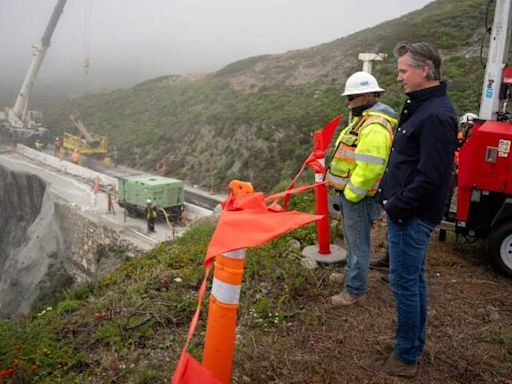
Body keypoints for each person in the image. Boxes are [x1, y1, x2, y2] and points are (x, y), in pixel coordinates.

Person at [361, 42, 457, 377]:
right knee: (411, 280)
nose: (399, 77)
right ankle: (410, 345)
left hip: (412, 214)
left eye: (403, 71)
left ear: (425, 69)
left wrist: (395, 204)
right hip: (408, 210)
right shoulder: (424, 107)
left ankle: (405, 357)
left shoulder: (437, 115)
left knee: (404, 283)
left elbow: (431, 177)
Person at [325, 71, 397, 306]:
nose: (347, 103)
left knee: (358, 245)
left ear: (366, 96)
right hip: (353, 194)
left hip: (359, 196)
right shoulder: (365, 120)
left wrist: (352, 193)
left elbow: (370, 167)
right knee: (352, 240)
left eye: (351, 98)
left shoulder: (375, 126)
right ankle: (350, 276)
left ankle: (354, 290)